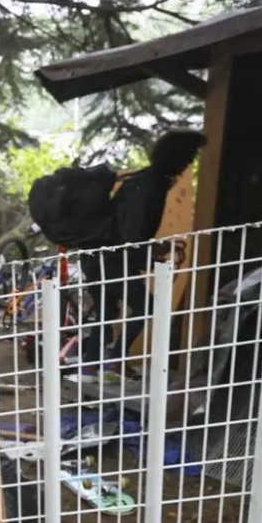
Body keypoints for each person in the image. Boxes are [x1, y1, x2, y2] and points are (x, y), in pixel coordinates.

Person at [78, 129, 205, 371]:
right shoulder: (149, 185)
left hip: (97, 255)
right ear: (176, 157)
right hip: (110, 257)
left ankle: (93, 365)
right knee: (146, 305)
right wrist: (153, 250)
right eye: (189, 157)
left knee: (106, 310)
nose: (190, 163)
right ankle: (114, 361)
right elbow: (131, 233)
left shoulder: (145, 180)